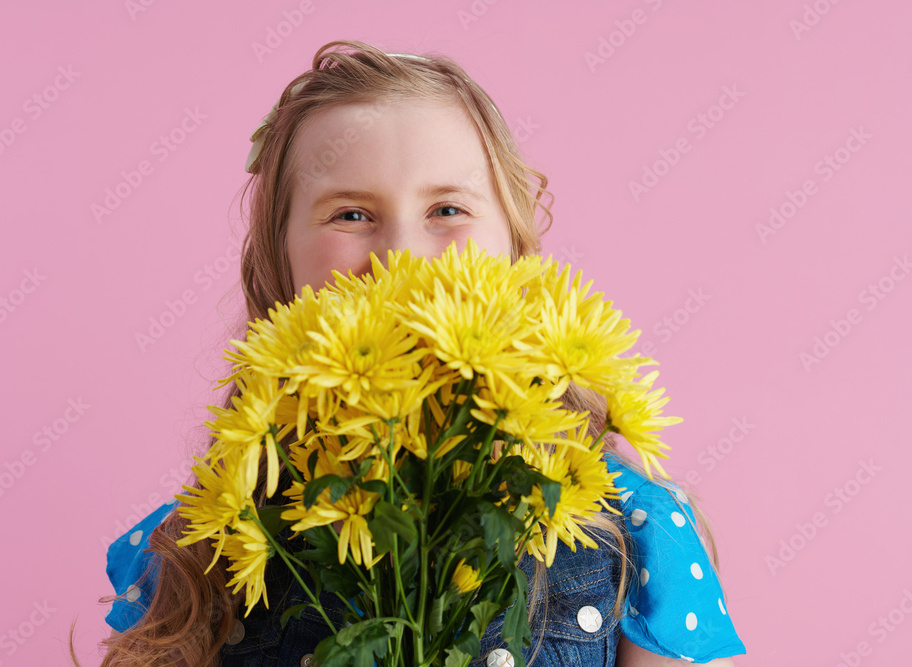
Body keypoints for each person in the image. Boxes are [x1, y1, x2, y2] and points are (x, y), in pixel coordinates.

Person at [71, 40, 746, 667]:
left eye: (447, 209)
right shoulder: (199, 548)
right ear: (278, 260)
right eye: (352, 215)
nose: (401, 254)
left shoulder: (636, 531)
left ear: (515, 243)